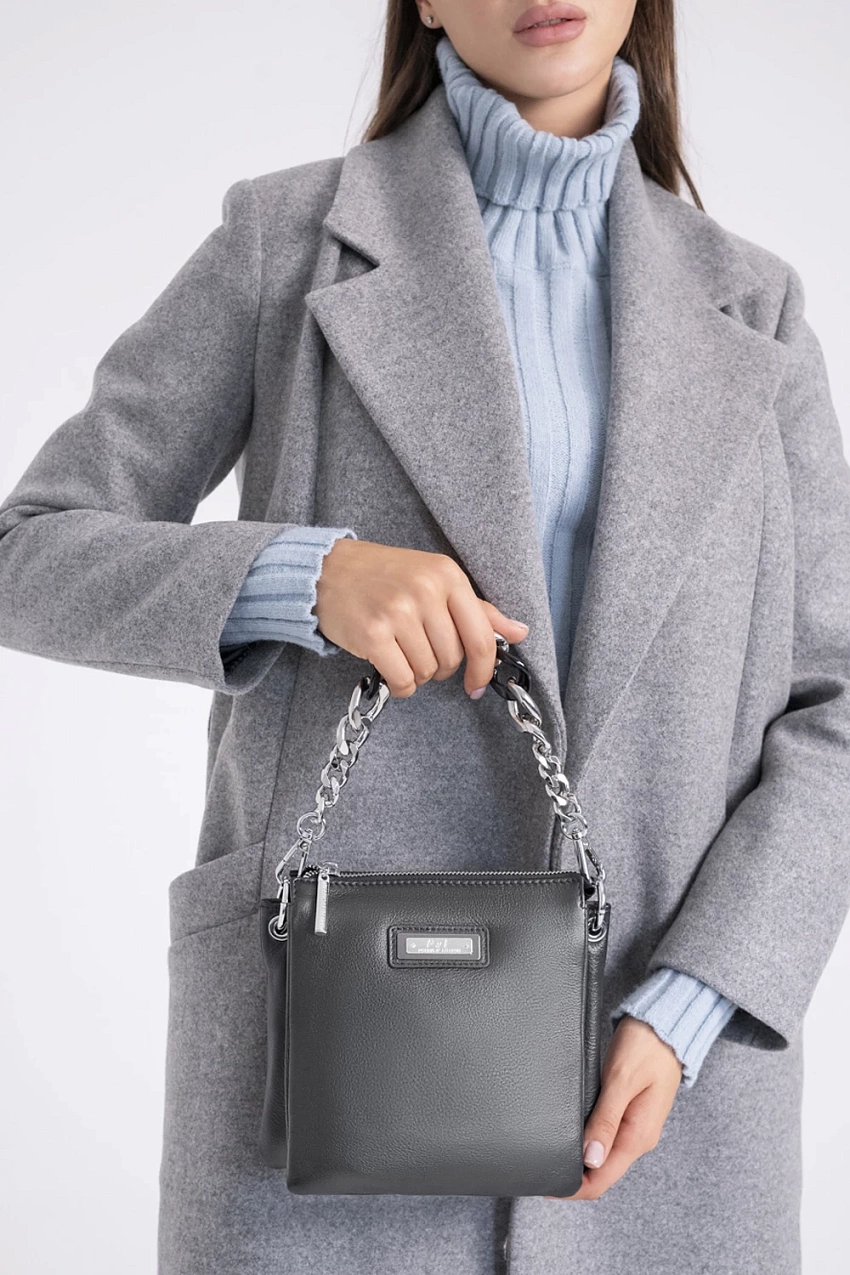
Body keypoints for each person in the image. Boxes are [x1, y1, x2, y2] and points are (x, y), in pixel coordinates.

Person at [0, 2, 847, 1272]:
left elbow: (832, 703)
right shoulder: (286, 242)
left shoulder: (756, 308)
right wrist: (303, 576)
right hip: (321, 1076)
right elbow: (29, 550)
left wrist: (695, 1000)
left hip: (664, 1100)